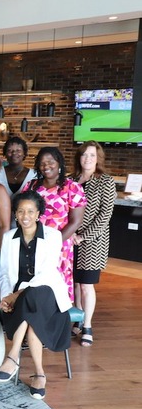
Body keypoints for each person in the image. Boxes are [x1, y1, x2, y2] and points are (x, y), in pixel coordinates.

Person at [0, 191, 72, 401]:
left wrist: (16, 295)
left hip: (48, 292)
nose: (25, 215)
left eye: (30, 211)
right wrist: (6, 296)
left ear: (38, 214)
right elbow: (4, 273)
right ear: (15, 214)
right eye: (20, 211)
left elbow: (46, 273)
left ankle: (13, 356)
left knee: (33, 296)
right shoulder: (9, 237)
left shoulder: (53, 236)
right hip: (22, 298)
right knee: (31, 306)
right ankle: (39, 374)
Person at [22, 147, 86, 301]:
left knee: (57, 281)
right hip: (33, 242)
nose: (46, 166)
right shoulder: (31, 186)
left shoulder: (72, 187)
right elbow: (23, 212)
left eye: (50, 162)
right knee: (34, 279)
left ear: (59, 163)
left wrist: (54, 242)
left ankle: (59, 320)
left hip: (60, 244)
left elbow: (76, 221)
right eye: (42, 163)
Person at [71, 141, 115, 346]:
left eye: (92, 155)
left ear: (98, 158)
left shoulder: (106, 181)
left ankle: (87, 325)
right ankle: (77, 321)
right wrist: (69, 234)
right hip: (70, 240)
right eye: (84, 155)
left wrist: (83, 236)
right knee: (75, 284)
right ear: (79, 158)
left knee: (87, 285)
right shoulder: (71, 180)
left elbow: (105, 215)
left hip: (93, 242)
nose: (87, 159)